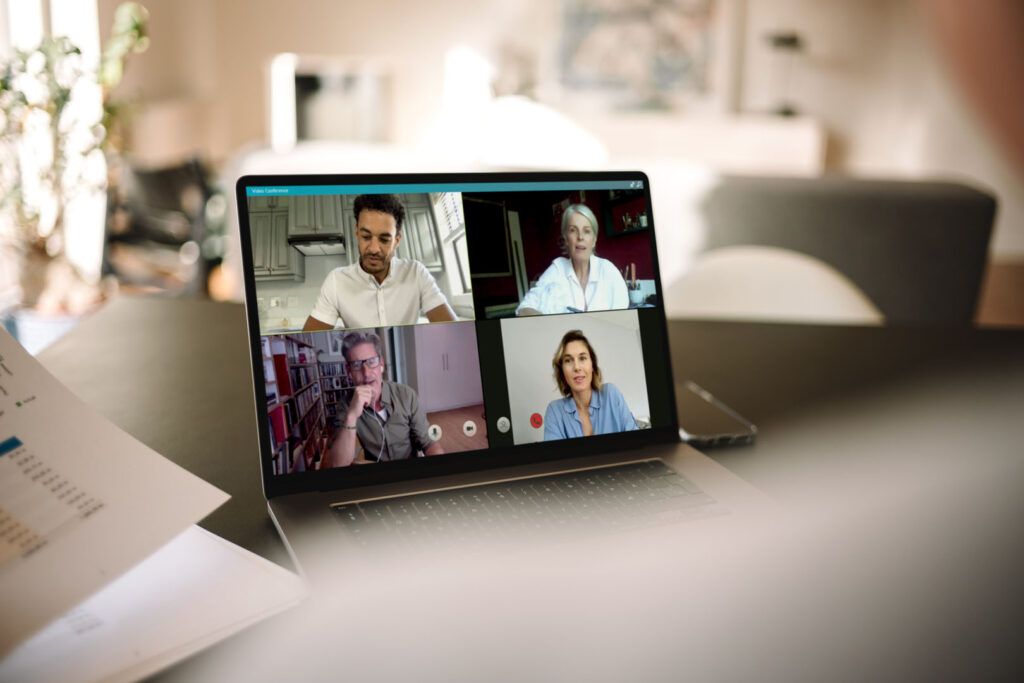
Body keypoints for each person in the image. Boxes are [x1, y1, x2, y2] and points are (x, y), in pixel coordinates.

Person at [303, 194, 457, 330]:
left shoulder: (416, 273)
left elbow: (453, 331)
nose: (374, 249)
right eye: (366, 236)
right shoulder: (336, 281)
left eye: (384, 239)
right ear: (356, 232)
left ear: (397, 240)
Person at [326, 331, 444, 466]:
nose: (366, 372)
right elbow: (338, 464)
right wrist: (352, 416)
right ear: (349, 371)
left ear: (381, 364)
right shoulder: (346, 405)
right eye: (357, 365)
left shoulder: (406, 395)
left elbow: (429, 442)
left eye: (372, 362)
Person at [516, 204, 629, 316]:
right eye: (573, 230)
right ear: (566, 239)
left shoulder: (609, 271)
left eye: (587, 231)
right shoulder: (557, 269)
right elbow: (524, 308)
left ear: (594, 240)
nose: (580, 237)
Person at [543, 329, 637, 441]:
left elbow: (635, 442)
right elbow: (555, 457)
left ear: (592, 365)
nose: (577, 367)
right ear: (562, 371)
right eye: (568, 360)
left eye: (582, 358)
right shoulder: (554, 411)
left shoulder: (611, 394)